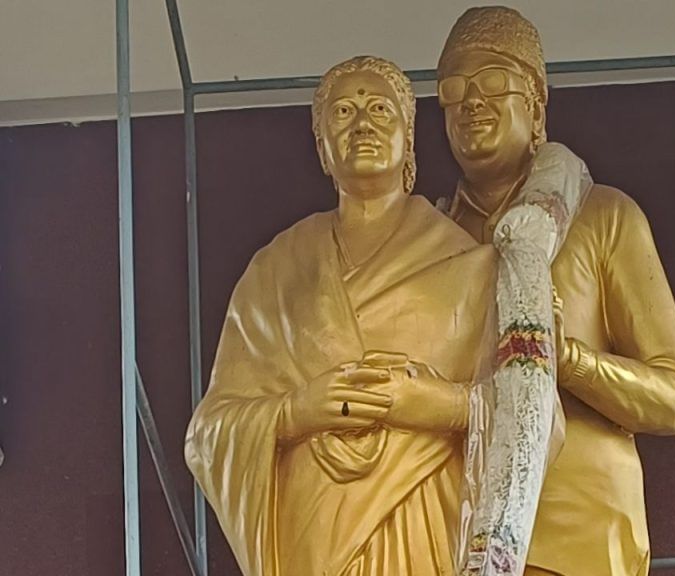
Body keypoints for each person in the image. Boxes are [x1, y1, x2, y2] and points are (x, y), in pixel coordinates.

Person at [185, 56, 496, 576]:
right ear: (321, 148)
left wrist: (439, 404)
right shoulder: (277, 270)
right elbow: (209, 433)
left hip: (426, 513)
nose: (363, 124)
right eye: (343, 112)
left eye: (379, 109)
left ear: (408, 138)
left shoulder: (472, 264)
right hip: (313, 525)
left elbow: (534, 416)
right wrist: (292, 413)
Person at [437, 7, 675, 576]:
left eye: (492, 83)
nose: (471, 103)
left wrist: (570, 360)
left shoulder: (602, 216)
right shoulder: (427, 241)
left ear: (535, 105)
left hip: (583, 528)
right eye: (452, 91)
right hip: (450, 524)